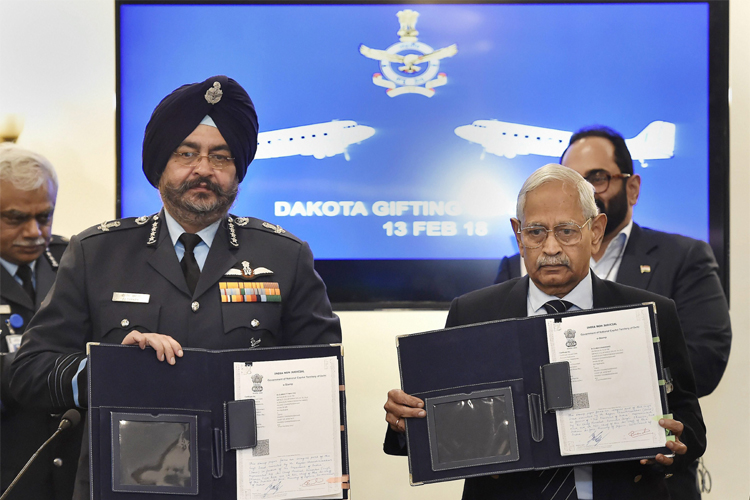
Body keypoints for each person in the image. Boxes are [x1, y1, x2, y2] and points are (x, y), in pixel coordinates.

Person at [9, 75, 341, 500]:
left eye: (221, 156)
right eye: (186, 153)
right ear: (159, 165)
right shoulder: (97, 252)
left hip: (247, 484)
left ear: (238, 170)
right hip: (127, 484)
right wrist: (108, 370)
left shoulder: (285, 256)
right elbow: (29, 370)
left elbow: (323, 380)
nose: (203, 169)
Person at [384, 164, 706, 500]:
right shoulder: (472, 313)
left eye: (566, 231)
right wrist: (407, 422)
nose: (551, 248)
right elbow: (444, 424)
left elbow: (690, 423)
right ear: (518, 234)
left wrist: (675, 444)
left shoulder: (650, 314)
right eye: (536, 232)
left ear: (596, 231)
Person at [495, 126, 729, 499]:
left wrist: (608, 380)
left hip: (636, 480)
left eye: (597, 178)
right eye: (572, 179)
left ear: (631, 188)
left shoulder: (683, 258)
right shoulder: (511, 271)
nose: (583, 190)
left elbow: (704, 361)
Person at [0, 144, 83, 499]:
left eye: (44, 216)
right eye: (16, 218)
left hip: (72, 472)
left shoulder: (74, 262)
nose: (34, 231)